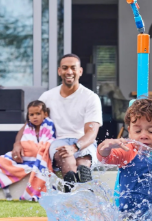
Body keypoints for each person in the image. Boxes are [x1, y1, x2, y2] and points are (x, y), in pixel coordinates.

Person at [15, 54, 103, 186]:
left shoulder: (91, 97)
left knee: (83, 161)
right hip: (58, 141)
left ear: (80, 71)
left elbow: (91, 133)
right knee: (65, 157)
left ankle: (78, 178)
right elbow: (31, 123)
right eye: (65, 68)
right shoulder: (47, 96)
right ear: (59, 71)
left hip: (82, 141)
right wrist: (17, 143)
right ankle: (73, 182)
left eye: (73, 68)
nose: (69, 72)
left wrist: (74, 147)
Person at [0, 101, 55, 200]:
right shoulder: (29, 126)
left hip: (39, 156)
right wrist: (27, 147)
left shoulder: (48, 125)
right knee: (1, 159)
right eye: (31, 114)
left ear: (45, 114)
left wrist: (36, 148)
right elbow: (25, 141)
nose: (34, 117)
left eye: (38, 114)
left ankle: (35, 191)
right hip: (25, 156)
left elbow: (48, 141)